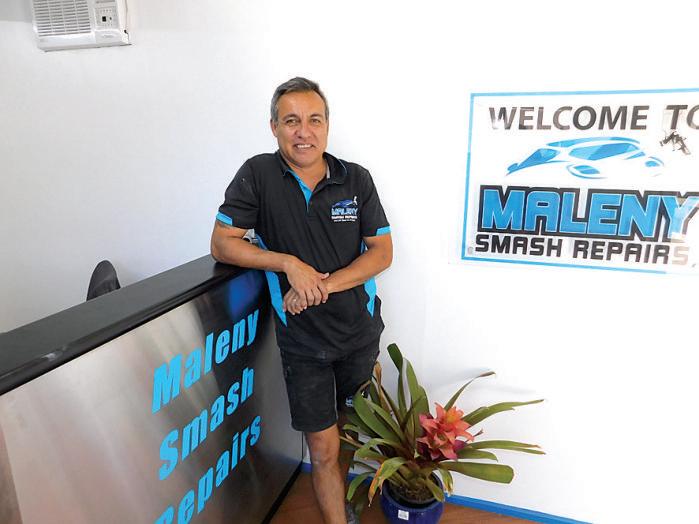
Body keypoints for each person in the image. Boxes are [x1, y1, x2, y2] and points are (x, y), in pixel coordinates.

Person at [211, 77, 392, 523]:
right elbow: (222, 243)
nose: (303, 131)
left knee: (352, 435)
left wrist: (319, 286)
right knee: (322, 447)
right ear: (274, 127)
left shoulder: (356, 178)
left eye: (314, 120)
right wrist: (288, 263)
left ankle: (344, 503)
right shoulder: (257, 174)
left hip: (359, 334)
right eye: (291, 121)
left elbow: (382, 253)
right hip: (304, 344)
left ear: (327, 126)